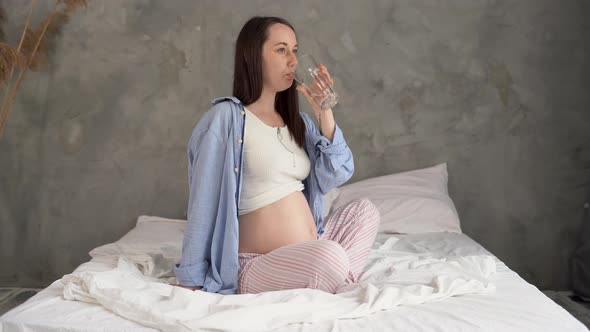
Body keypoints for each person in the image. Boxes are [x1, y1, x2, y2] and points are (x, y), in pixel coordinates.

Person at [173, 16, 380, 295]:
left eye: (295, 50)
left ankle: (334, 280)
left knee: (365, 211)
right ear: (253, 57)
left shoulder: (300, 123)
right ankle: (337, 280)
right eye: (281, 50)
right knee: (329, 255)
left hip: (310, 249)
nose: (293, 61)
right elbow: (203, 201)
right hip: (257, 266)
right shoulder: (226, 119)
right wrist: (190, 279)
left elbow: (338, 173)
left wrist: (324, 111)